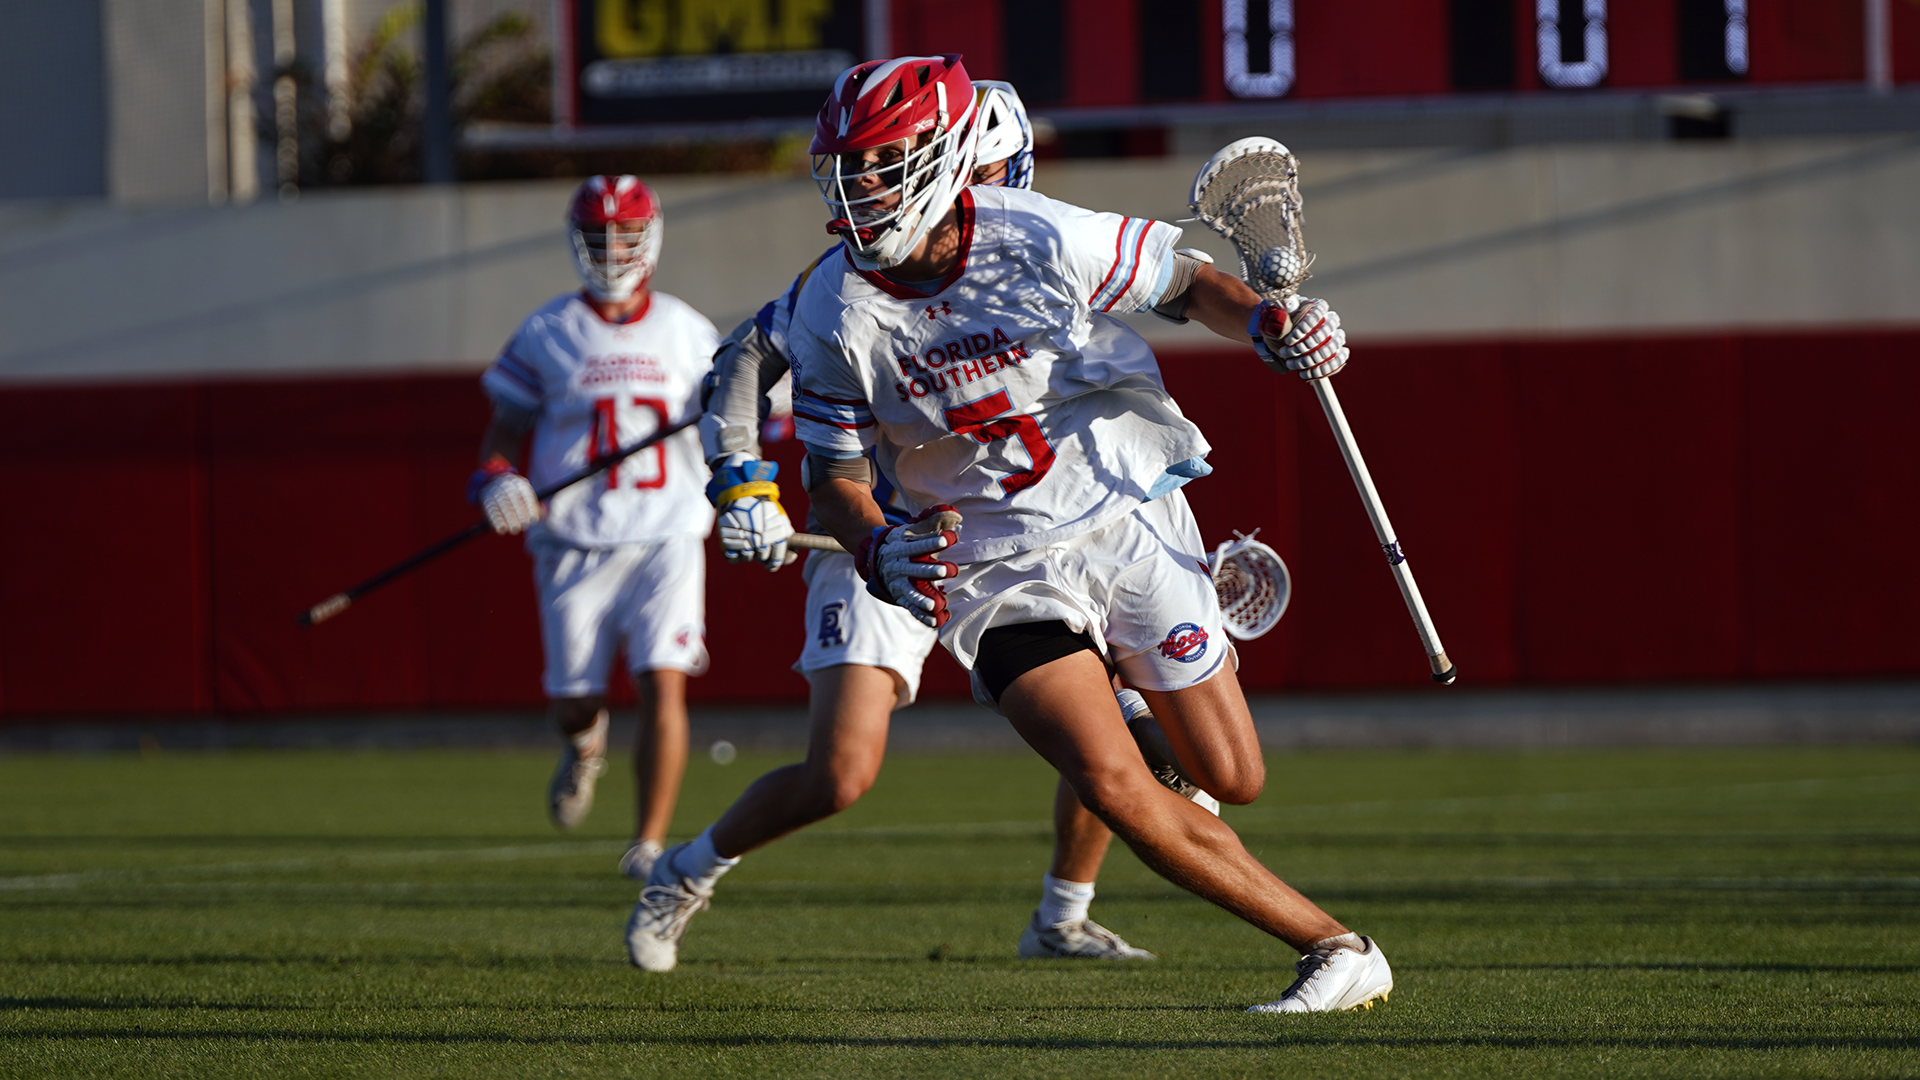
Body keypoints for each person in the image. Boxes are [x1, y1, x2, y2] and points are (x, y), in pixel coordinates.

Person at [629, 55, 1390, 1014]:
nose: (859, 188)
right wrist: (865, 542)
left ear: (947, 157)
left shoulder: (1041, 233)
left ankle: (1127, 790)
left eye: (882, 163)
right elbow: (834, 477)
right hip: (992, 564)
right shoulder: (831, 304)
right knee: (1106, 778)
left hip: (1122, 511)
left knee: (1230, 776)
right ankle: (1334, 948)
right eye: (848, 168)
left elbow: (1192, 285)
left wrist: (1272, 320)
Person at [626, 82, 1199, 970]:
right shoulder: (856, 283)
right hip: (896, 543)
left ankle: (1061, 914)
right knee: (841, 773)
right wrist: (742, 483)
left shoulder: (1031, 246)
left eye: (1003, 180)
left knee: (1109, 727)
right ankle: (687, 870)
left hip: (1029, 543)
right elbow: (746, 358)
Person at [471, 175, 719, 857]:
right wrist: (498, 479)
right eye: (598, 236)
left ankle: (648, 845)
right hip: (575, 537)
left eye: (626, 234)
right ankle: (584, 746)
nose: (612, 250)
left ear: (652, 236)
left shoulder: (687, 330)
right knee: (573, 700)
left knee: (663, 681)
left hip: (668, 529)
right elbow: (504, 430)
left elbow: (734, 420)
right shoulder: (550, 330)